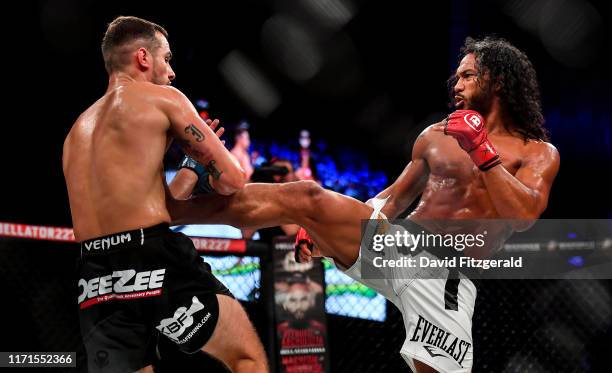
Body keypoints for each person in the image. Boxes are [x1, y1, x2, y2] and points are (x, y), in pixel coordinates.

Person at [170, 36, 559, 373]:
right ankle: (171, 211)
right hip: (396, 246)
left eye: (467, 75)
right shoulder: (436, 136)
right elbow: (393, 197)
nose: (455, 84)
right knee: (306, 196)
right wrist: (327, 228)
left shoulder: (537, 152)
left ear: (499, 80)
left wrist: (482, 151)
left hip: (445, 277)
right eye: (456, 76)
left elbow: (523, 217)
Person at [62, 16, 267, 373]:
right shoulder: (164, 98)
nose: (171, 72)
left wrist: (190, 164)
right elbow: (233, 181)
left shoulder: (76, 133)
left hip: (94, 276)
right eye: (167, 58)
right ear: (143, 57)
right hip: (151, 258)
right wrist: (210, 152)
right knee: (246, 358)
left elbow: (146, 205)